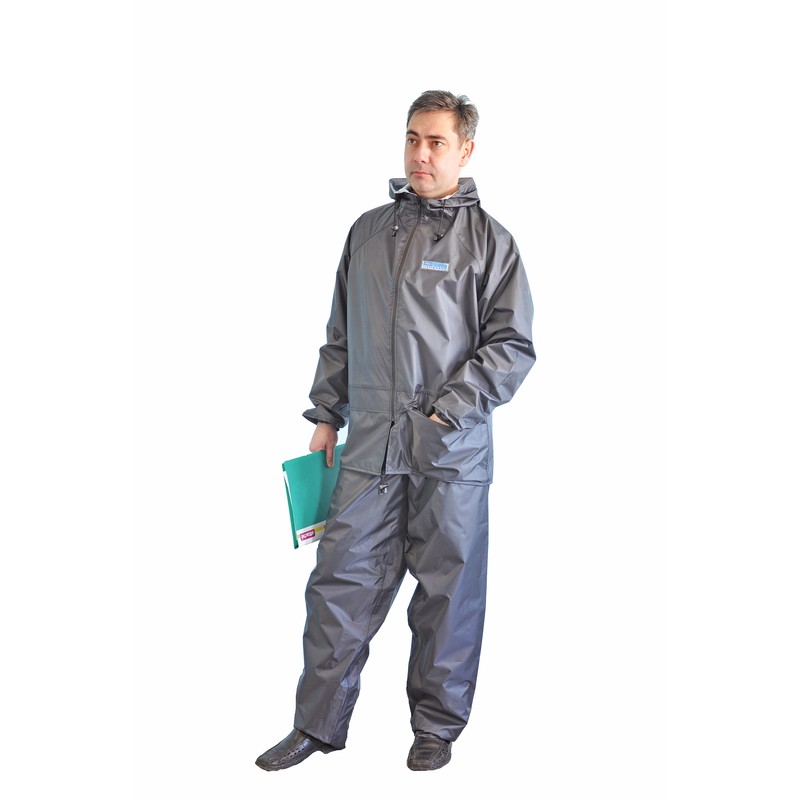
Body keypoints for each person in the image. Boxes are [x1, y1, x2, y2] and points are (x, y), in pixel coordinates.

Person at [256, 90, 536, 772]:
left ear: (466, 150)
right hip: (369, 450)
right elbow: (341, 333)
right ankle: (316, 725)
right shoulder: (367, 233)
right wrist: (326, 415)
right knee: (338, 585)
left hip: (450, 453)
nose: (421, 153)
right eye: (413, 138)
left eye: (437, 142)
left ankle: (435, 729)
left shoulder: (491, 244)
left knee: (447, 597)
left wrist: (447, 411)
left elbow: (511, 346)